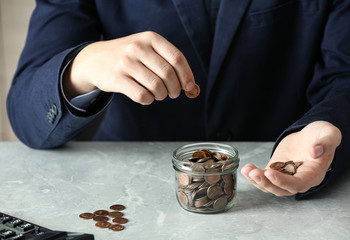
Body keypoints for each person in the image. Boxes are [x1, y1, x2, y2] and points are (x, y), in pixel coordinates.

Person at [7, 0, 349, 199]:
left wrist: (328, 124)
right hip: (126, 190)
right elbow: (25, 112)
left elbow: (344, 74)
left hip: (277, 189)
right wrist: (82, 66)